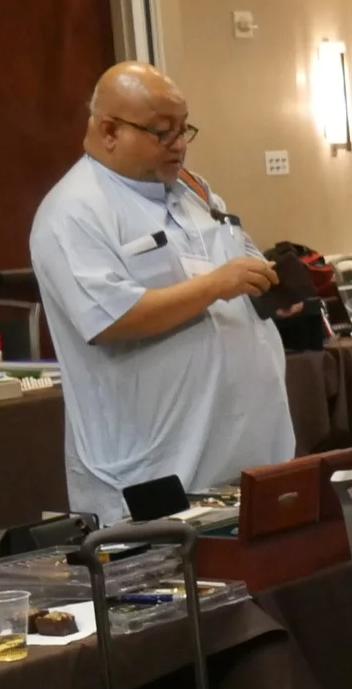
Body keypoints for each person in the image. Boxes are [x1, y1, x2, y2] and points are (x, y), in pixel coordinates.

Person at [28, 62, 292, 521]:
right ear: (109, 131)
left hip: (247, 454)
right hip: (158, 466)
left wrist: (269, 289)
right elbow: (111, 319)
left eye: (184, 128)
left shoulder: (194, 190)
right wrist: (216, 285)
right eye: (162, 132)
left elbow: (240, 265)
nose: (180, 144)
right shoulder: (73, 211)